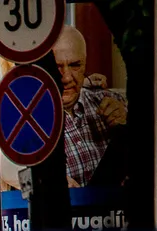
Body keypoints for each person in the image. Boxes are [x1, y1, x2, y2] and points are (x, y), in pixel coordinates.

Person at [53, 25, 127, 188]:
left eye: (75, 65)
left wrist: (129, 125)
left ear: (85, 64)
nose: (66, 78)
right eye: (57, 66)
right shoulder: (33, 121)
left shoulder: (111, 101)